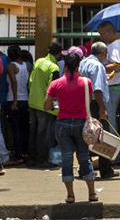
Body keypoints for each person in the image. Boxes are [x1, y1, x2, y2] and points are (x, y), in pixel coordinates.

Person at [43, 53, 97, 204]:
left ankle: (71, 195)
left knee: (67, 159)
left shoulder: (56, 84)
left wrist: (58, 106)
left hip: (63, 123)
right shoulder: (87, 82)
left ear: (65, 66)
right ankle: (92, 193)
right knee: (84, 157)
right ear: (78, 66)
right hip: (82, 124)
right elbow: (89, 100)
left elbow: (46, 106)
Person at [79, 42, 117, 179]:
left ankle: (84, 168)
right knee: (102, 136)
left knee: (87, 135)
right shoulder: (98, 66)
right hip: (96, 104)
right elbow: (97, 89)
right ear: (101, 53)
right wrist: (102, 107)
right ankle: (106, 170)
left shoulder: (84, 62)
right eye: (105, 54)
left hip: (85, 103)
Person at [28, 41, 62, 166]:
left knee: (33, 132)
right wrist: (56, 108)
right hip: (44, 105)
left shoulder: (38, 61)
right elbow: (54, 89)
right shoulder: (54, 68)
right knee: (44, 134)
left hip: (33, 102)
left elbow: (30, 80)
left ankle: (31, 158)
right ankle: (42, 160)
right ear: (59, 54)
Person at [98, 22, 120, 141]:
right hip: (112, 86)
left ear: (109, 32)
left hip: (112, 86)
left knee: (110, 120)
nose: (101, 37)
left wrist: (99, 67)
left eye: (102, 34)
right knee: (109, 119)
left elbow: (117, 65)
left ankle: (113, 153)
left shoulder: (115, 45)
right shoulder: (116, 44)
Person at [4, 45, 30, 162]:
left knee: (16, 128)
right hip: (25, 99)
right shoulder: (27, 66)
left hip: (13, 100)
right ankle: (25, 152)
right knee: (24, 127)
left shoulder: (11, 66)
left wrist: (14, 100)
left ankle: (17, 153)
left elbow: (14, 82)